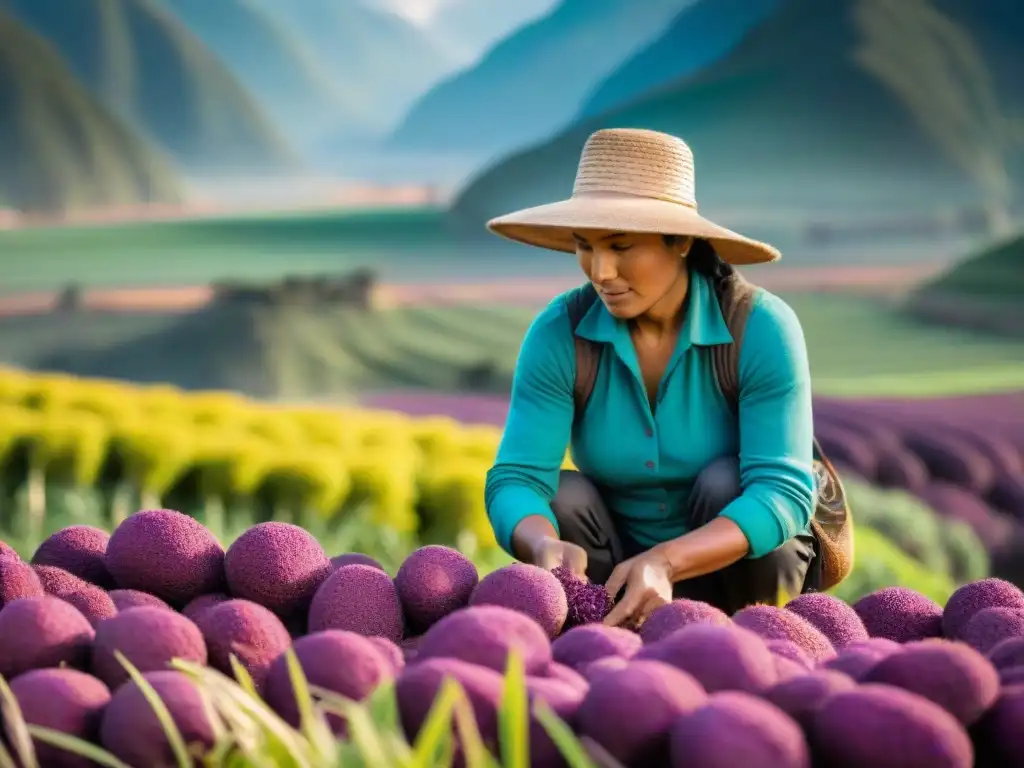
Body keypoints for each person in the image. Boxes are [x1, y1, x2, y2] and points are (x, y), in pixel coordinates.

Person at [483, 128, 820, 628]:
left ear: (681, 240)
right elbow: (517, 478)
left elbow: (783, 492)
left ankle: (757, 640)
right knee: (560, 496)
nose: (600, 271)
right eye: (585, 246)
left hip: (737, 562)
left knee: (727, 482)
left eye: (620, 246)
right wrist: (541, 541)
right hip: (614, 566)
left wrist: (667, 560)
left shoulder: (761, 329)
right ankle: (605, 635)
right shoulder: (559, 335)